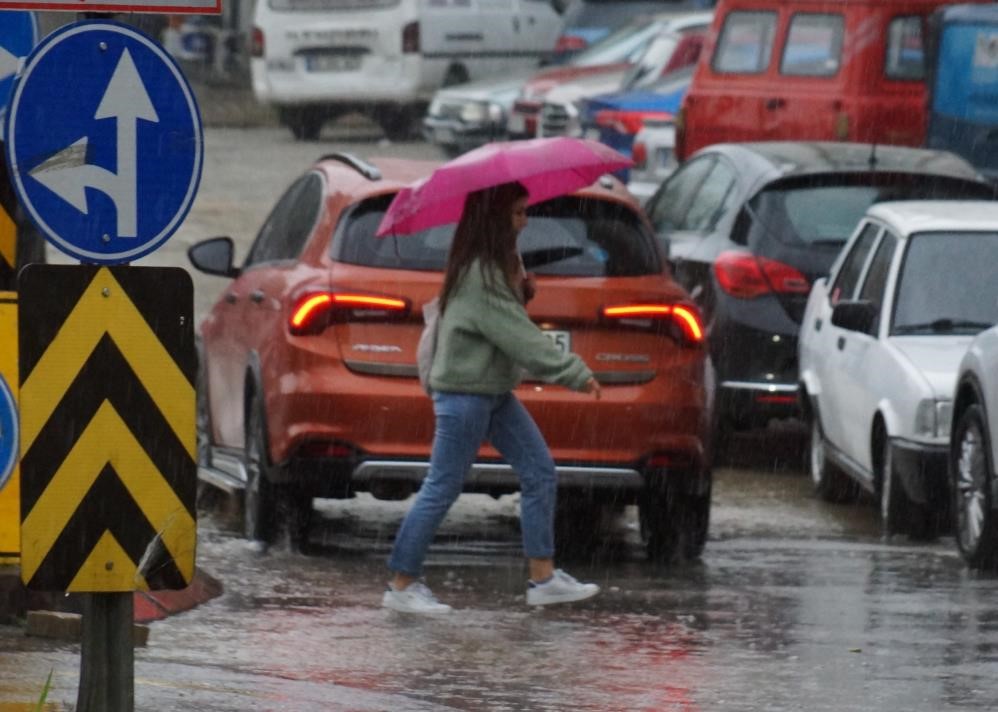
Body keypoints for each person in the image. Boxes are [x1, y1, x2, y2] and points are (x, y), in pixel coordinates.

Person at [382, 180, 602, 614]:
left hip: (492, 391)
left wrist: (520, 291)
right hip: (465, 395)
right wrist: (574, 373)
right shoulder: (481, 273)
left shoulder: (492, 267)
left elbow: (502, 321)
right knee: (442, 487)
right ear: (496, 218)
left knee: (539, 471)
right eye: (519, 212)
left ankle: (543, 579)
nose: (525, 220)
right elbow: (517, 335)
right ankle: (402, 586)